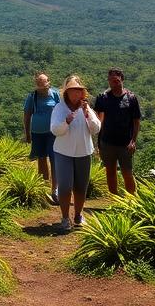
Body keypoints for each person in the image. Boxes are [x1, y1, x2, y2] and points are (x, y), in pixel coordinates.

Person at [50, 75, 100, 231]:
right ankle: (65, 218)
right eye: (72, 91)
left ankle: (78, 215)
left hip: (84, 152)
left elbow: (96, 128)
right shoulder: (59, 108)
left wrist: (88, 115)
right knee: (64, 186)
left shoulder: (87, 108)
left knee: (80, 186)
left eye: (78, 91)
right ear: (66, 92)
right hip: (63, 152)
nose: (76, 94)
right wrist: (66, 121)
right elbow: (55, 129)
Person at [94, 68, 142, 194]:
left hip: (125, 144)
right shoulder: (103, 98)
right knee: (110, 172)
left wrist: (133, 141)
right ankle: (114, 201)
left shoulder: (131, 98)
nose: (113, 83)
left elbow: (136, 121)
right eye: (110, 80)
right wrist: (97, 143)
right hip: (107, 142)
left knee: (127, 173)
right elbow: (98, 121)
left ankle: (132, 201)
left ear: (122, 79)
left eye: (116, 80)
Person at [23, 72, 60, 204]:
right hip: (37, 133)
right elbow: (27, 115)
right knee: (41, 158)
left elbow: (61, 110)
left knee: (54, 158)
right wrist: (27, 133)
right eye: (38, 83)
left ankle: (55, 189)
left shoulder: (55, 94)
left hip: (53, 133)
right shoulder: (32, 97)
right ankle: (43, 188)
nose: (41, 86)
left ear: (48, 83)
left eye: (43, 83)